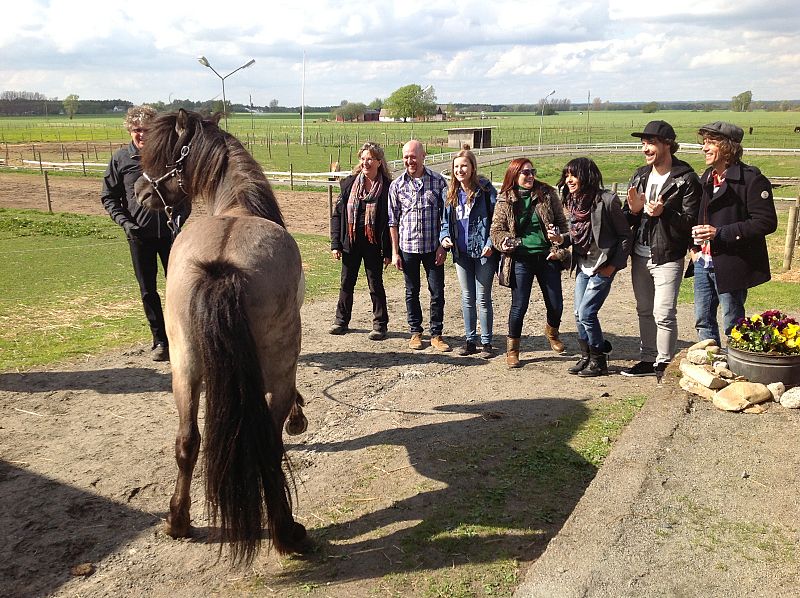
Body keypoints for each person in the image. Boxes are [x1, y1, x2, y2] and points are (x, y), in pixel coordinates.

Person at [101, 105, 190, 361]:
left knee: (178, 287)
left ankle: (182, 338)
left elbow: (184, 195)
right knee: (148, 291)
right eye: (137, 130)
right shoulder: (121, 159)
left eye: (147, 130)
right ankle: (160, 340)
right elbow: (109, 196)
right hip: (139, 238)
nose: (142, 135)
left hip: (171, 236)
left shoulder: (166, 158)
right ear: (130, 130)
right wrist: (126, 223)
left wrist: (179, 221)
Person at [622, 121, 701, 377]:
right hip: (640, 252)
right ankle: (647, 359)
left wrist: (664, 212)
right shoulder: (639, 175)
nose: (646, 148)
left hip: (667, 254)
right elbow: (629, 218)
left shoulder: (686, 179)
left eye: (651, 143)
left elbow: (691, 221)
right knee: (644, 310)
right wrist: (632, 212)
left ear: (668, 144)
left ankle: (665, 363)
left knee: (664, 313)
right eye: (643, 143)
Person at [687, 121, 777, 345]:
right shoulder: (707, 177)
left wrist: (721, 233)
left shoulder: (751, 180)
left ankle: (735, 368)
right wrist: (695, 249)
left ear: (728, 147)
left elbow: (766, 222)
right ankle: (710, 364)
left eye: (710, 143)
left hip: (732, 262)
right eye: (704, 142)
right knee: (703, 320)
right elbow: (700, 217)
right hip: (703, 262)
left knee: (732, 322)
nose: (704, 148)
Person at [489, 158, 570, 368]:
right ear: (514, 175)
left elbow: (562, 223)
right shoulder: (505, 199)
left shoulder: (547, 193)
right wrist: (506, 242)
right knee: (519, 305)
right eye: (525, 173)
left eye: (532, 171)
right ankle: (513, 349)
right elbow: (496, 231)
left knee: (556, 304)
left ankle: (552, 332)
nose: (530, 176)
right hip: (520, 258)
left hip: (547, 256)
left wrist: (558, 238)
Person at [559, 157, 632, 377]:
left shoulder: (607, 201)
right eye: (567, 175)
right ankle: (587, 356)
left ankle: (599, 360)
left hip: (603, 266)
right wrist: (561, 238)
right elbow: (576, 236)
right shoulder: (573, 202)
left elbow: (625, 236)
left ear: (587, 176)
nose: (569, 180)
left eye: (574, 175)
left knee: (587, 313)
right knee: (577, 313)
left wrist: (613, 267)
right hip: (584, 265)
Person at [388, 140, 450, 351]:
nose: (409, 161)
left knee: (437, 292)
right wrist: (395, 252)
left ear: (423, 156)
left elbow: (446, 217)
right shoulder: (396, 185)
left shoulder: (439, 182)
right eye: (406, 157)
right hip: (408, 249)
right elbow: (393, 221)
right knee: (411, 291)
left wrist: (444, 246)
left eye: (413, 156)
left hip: (433, 248)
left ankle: (437, 334)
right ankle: (415, 332)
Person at [329, 142, 392, 340]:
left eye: (370, 159)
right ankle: (341, 321)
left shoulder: (388, 188)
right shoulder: (348, 184)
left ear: (379, 162)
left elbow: (392, 220)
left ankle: (380, 324)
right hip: (351, 242)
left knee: (375, 284)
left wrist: (389, 251)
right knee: (346, 282)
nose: (366, 162)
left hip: (374, 244)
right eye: (363, 159)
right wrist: (335, 244)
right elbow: (337, 215)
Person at [439, 147, 498, 358]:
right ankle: (470, 340)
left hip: (484, 252)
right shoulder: (450, 192)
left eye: (464, 165)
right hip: (461, 254)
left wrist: (492, 243)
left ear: (472, 167)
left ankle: (487, 342)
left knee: (482, 298)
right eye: (456, 166)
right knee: (466, 297)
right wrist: (444, 236)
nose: (460, 170)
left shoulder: (486, 191)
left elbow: (497, 221)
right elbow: (445, 221)